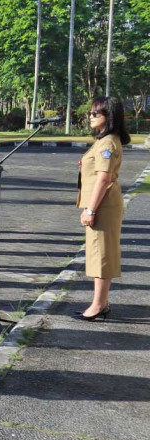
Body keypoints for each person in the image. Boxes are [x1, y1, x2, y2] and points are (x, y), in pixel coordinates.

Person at [76, 96, 129, 321]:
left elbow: (104, 178)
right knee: (99, 254)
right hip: (103, 204)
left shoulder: (107, 142)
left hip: (102, 206)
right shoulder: (103, 140)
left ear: (110, 117)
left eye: (96, 114)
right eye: (90, 113)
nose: (90, 117)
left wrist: (90, 209)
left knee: (102, 256)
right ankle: (101, 302)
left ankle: (98, 305)